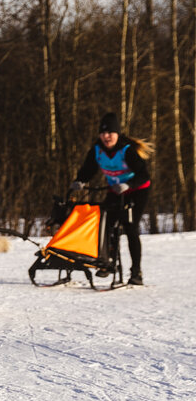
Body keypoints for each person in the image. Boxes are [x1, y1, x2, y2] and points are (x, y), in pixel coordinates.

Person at [70, 112, 152, 285]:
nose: (106, 136)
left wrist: (129, 185)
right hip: (115, 191)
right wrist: (80, 181)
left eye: (110, 133)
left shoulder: (126, 150)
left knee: (130, 228)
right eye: (103, 133)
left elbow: (144, 175)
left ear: (117, 134)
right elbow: (88, 170)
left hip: (137, 191)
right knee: (104, 223)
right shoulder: (96, 151)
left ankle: (136, 272)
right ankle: (107, 263)